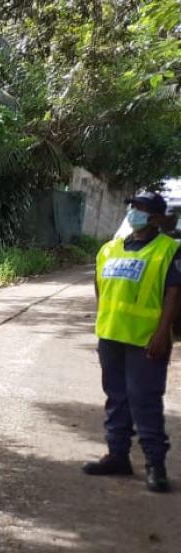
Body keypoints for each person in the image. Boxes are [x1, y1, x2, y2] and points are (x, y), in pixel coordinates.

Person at [83, 191, 177, 493]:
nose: (133, 212)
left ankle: (155, 464)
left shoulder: (168, 250)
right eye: (132, 207)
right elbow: (100, 286)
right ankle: (117, 455)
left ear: (156, 218)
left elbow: (174, 293)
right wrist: (103, 321)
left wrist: (164, 332)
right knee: (116, 397)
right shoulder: (109, 249)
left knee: (144, 399)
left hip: (145, 339)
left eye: (140, 208)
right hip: (111, 335)